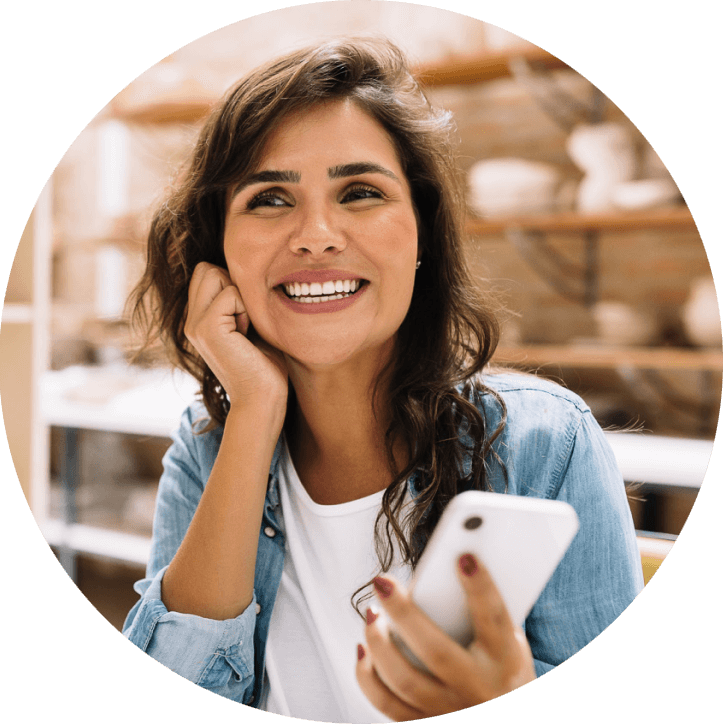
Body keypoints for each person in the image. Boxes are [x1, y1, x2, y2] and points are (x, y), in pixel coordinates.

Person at [122, 37, 643, 720]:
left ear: (421, 235)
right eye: (269, 199)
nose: (316, 235)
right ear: (217, 254)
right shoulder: (206, 448)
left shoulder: (548, 444)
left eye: (360, 192)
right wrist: (253, 408)